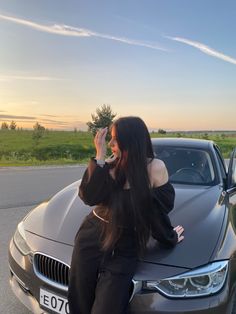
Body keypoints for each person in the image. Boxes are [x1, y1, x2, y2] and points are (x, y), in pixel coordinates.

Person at [68, 116, 184, 314]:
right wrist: (100, 156)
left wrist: (169, 236)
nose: (111, 144)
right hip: (90, 236)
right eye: (110, 139)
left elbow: (154, 211)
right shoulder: (111, 165)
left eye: (115, 139)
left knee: (107, 308)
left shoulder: (155, 168)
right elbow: (88, 196)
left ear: (131, 140)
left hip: (124, 246)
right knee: (79, 302)